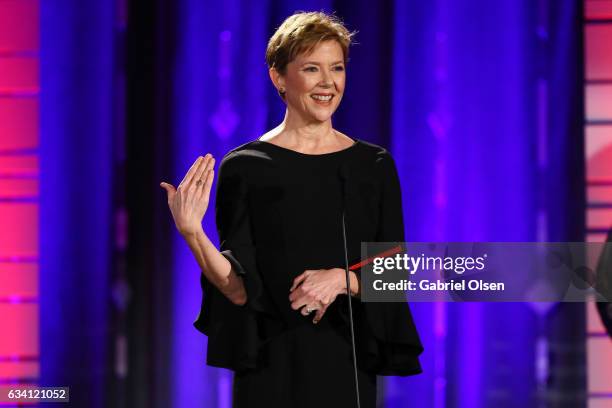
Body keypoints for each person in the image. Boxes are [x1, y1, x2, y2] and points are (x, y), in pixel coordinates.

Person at [160, 11, 423, 408]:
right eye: (312, 68)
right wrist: (192, 232)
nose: (328, 83)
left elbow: (395, 274)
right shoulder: (246, 166)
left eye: (337, 68)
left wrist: (341, 280)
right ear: (279, 77)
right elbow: (238, 290)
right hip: (270, 368)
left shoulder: (373, 166)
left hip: (345, 366)